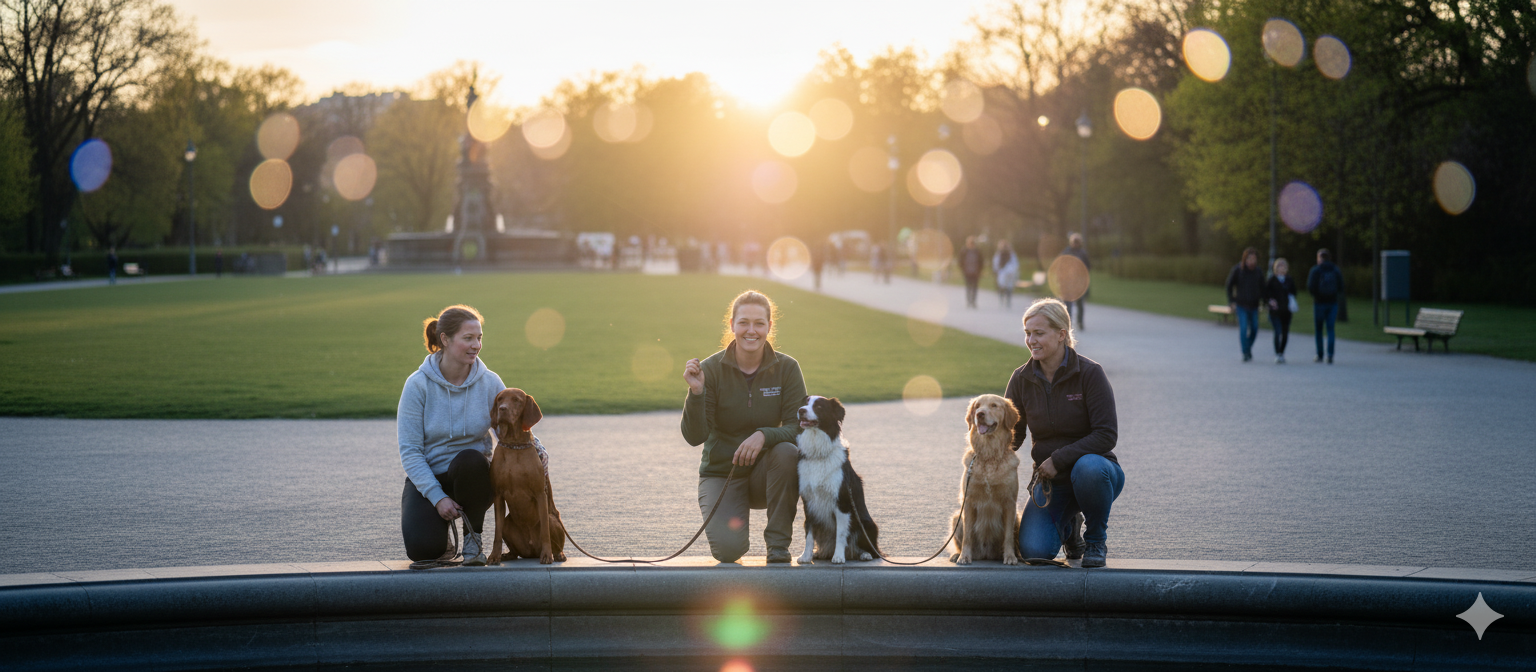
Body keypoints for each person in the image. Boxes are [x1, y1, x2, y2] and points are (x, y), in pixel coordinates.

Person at [681, 290, 806, 564]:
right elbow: (694, 437)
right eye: (744, 322)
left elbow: (799, 428)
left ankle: (777, 547)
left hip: (767, 474)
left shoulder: (787, 368)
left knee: (787, 451)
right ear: (732, 325)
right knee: (728, 551)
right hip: (722, 473)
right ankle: (732, 527)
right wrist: (697, 393)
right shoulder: (709, 370)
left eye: (759, 323)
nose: (752, 331)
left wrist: (764, 435)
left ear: (769, 327)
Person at [398, 304, 526, 567]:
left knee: (471, 458)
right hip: (430, 476)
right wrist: (437, 497)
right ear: (444, 339)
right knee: (422, 550)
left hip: (474, 476)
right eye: (468, 338)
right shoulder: (417, 384)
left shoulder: (489, 381)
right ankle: (441, 540)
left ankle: (473, 539)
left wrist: (540, 451)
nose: (476, 345)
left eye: (479, 338)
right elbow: (410, 451)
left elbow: (512, 428)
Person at [1006, 298, 1122, 568]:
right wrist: (987, 456)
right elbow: (1013, 434)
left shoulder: (1090, 373)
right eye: (1027, 333)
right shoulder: (1021, 378)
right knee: (1034, 551)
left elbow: (1106, 435)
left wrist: (1059, 459)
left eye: (1039, 333)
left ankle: (1095, 539)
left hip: (1097, 473)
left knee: (1089, 468)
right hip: (1051, 483)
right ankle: (1070, 527)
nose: (1031, 340)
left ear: (1061, 335)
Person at [1225, 247, 1264, 362]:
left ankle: (1247, 348)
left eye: (1254, 259)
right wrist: (1231, 301)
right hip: (1241, 305)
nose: (1252, 261)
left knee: (1255, 328)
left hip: (1254, 305)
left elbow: (1263, 288)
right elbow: (1229, 285)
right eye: (1250, 259)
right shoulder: (1238, 270)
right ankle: (1245, 352)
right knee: (1243, 328)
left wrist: (1265, 301)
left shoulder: (1258, 271)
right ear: (1245, 259)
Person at [1307, 248, 1344, 364]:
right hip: (1332, 303)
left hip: (1319, 303)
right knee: (1330, 329)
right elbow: (1341, 286)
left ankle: (1320, 355)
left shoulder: (1316, 270)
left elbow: (1310, 286)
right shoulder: (1335, 269)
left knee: (1318, 329)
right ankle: (1330, 355)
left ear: (1319, 258)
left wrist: (1317, 295)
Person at [1265, 258, 1298, 364]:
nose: (1282, 268)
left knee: (1285, 333)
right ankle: (1277, 353)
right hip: (1275, 312)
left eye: (1283, 266)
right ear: (1276, 268)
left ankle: (1281, 352)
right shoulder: (1272, 280)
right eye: (1279, 266)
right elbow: (1266, 294)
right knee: (1277, 331)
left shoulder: (1289, 280)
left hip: (1286, 311)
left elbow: (1294, 292)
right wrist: (1270, 301)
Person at [1061, 233, 1091, 329]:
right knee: (1068, 304)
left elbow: (1088, 266)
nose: (1076, 244)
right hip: (1068, 282)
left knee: (1080, 303)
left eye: (1077, 242)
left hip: (1078, 282)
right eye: (1074, 242)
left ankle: (1080, 322)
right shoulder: (1066, 252)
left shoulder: (1082, 253)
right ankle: (1068, 323)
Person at [992, 239, 1020, 309]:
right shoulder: (999, 254)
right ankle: (1002, 298)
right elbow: (996, 263)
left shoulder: (1011, 254)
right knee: (1002, 286)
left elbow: (1015, 264)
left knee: (1009, 287)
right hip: (1002, 273)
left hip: (1010, 273)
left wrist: (1013, 271)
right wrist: (997, 270)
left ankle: (1008, 300)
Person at [959, 236, 984, 309]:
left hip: (975, 273)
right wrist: (963, 269)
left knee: (974, 288)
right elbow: (960, 261)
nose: (971, 245)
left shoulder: (978, 252)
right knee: (968, 287)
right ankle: (968, 301)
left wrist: (980, 270)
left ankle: (973, 301)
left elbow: (981, 262)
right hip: (967, 272)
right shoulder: (964, 251)